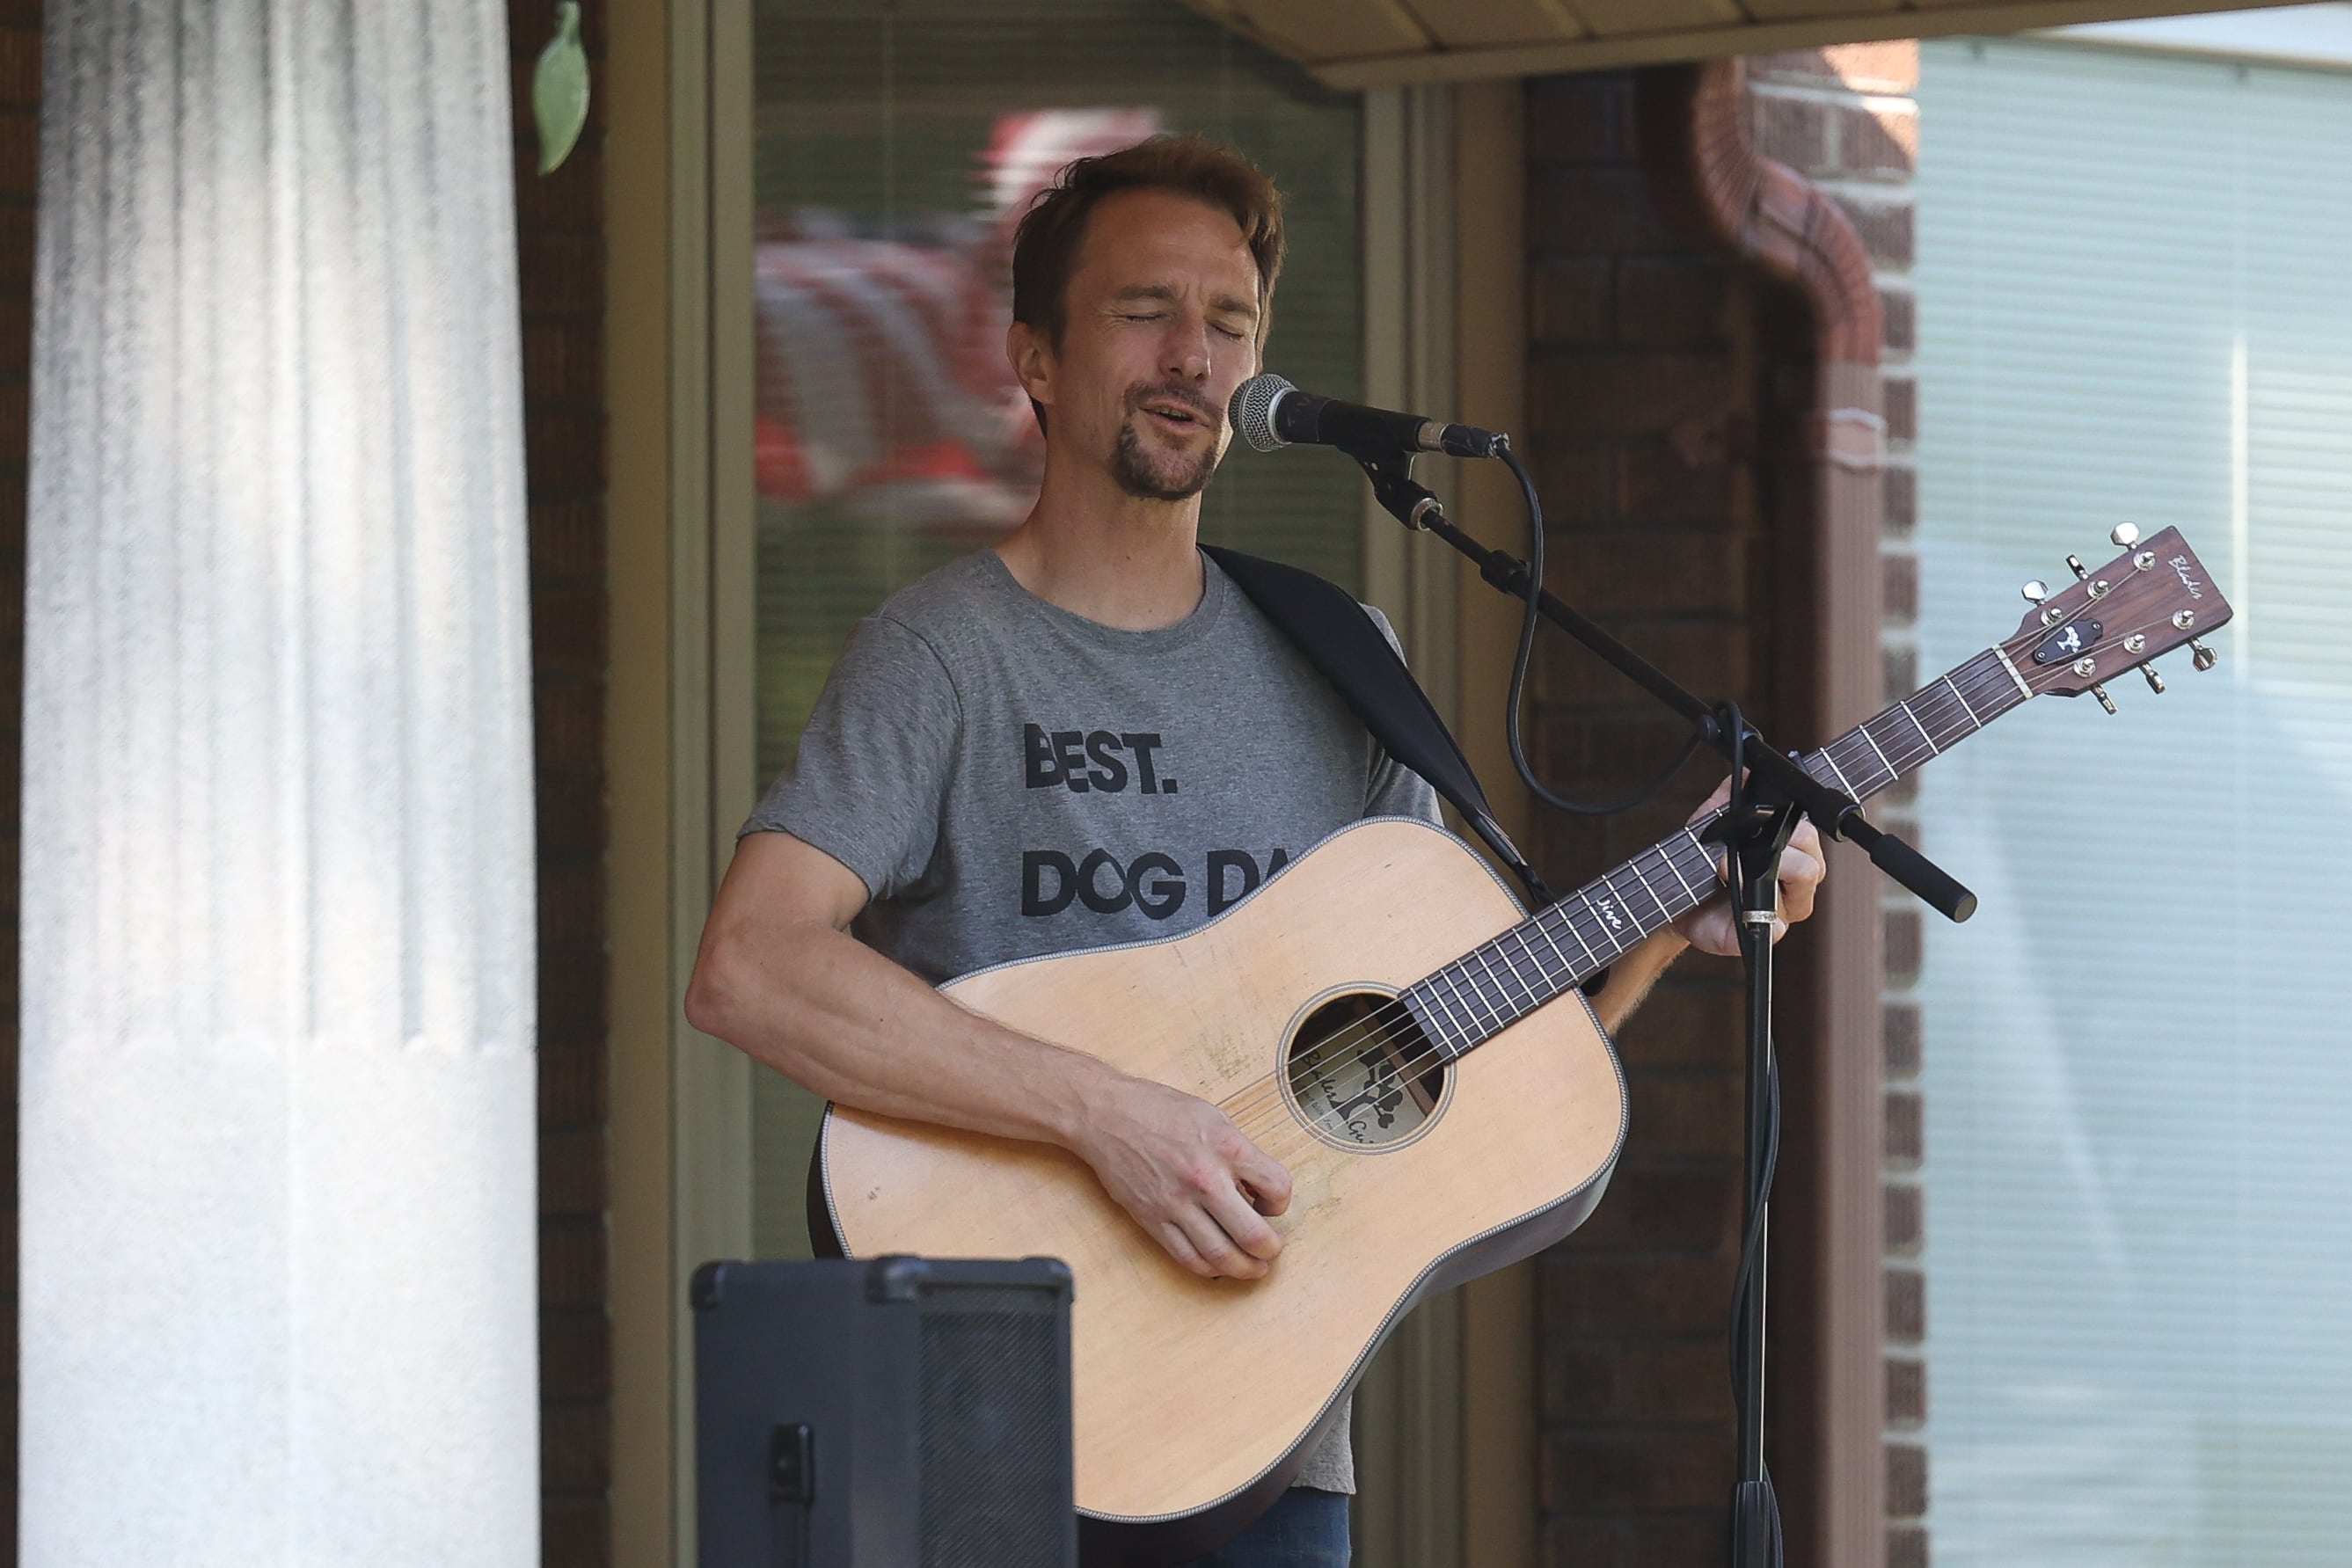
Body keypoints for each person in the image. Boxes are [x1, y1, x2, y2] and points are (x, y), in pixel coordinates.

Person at [685, 134, 1826, 1568]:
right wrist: (1110, 1116)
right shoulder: (941, 657)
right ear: (1034, 357)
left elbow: (1453, 1071)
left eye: (1229, 323)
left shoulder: (1340, 665)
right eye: (1142, 309)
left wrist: (1669, 919)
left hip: (1264, 1448)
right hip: (979, 1420)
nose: (1192, 356)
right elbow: (751, 969)